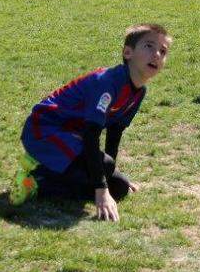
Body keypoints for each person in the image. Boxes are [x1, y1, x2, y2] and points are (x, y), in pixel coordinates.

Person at [10, 24, 171, 222]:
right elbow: (91, 134)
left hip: (75, 136)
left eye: (163, 51)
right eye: (149, 46)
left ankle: (49, 179)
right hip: (45, 130)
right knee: (102, 177)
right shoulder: (107, 83)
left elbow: (115, 131)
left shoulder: (138, 92)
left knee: (119, 188)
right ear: (128, 52)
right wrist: (101, 188)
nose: (156, 54)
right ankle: (35, 175)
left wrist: (110, 175)